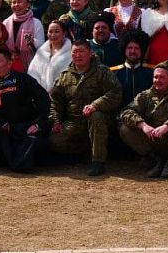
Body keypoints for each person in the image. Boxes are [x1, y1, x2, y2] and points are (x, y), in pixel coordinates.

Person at [0, 45, 51, 171]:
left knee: (34, 144)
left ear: (9, 64)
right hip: (0, 129)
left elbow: (44, 99)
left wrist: (39, 123)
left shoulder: (23, 79)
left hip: (23, 128)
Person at [49, 40, 122, 176]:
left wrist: (95, 105)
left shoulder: (102, 72)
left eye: (82, 51)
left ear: (90, 53)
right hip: (75, 122)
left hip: (100, 121)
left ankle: (98, 162)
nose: (78, 55)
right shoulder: (65, 75)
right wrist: (55, 121)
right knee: (55, 141)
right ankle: (84, 154)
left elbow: (115, 93)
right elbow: (56, 101)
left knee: (96, 117)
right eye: (74, 52)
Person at [119, 60, 168, 178]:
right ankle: (156, 160)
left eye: (162, 77)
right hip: (152, 140)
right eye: (155, 77)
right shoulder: (145, 96)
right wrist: (143, 125)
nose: (157, 80)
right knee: (124, 128)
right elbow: (126, 112)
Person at [111, 30, 154, 107]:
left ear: (142, 51)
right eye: (130, 48)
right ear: (124, 50)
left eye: (137, 48)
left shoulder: (152, 72)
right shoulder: (113, 72)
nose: (133, 51)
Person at [28, 20, 73, 93]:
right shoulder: (41, 52)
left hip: (59, 95)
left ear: (64, 33)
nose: (53, 35)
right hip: (38, 94)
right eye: (50, 31)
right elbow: (32, 72)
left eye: (57, 31)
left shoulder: (70, 54)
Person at [3, 0, 45, 71]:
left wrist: (30, 41)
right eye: (14, 2)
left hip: (31, 65)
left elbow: (41, 46)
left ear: (28, 5)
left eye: (19, 2)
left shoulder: (36, 23)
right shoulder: (6, 22)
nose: (16, 5)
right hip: (10, 64)